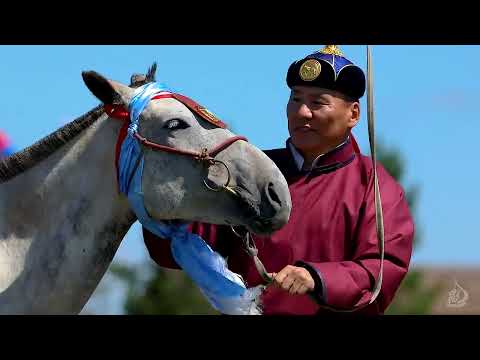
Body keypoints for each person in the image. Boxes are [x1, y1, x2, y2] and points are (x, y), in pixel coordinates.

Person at [142, 45, 415, 315]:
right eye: (296, 99)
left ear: (353, 114)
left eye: (317, 102)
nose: (302, 112)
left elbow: (381, 269)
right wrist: (160, 203)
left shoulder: (374, 187)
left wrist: (317, 277)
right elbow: (189, 242)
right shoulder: (253, 172)